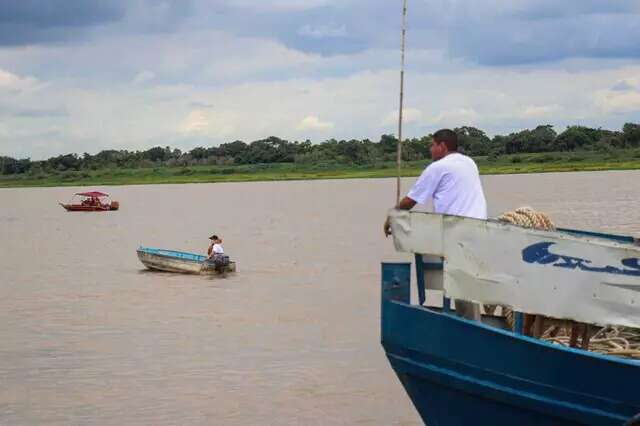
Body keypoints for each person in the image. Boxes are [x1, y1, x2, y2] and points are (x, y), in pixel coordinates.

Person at [383, 128, 487, 320]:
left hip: (458, 231)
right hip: (479, 230)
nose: (430, 149)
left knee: (461, 286)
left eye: (432, 145)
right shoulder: (469, 162)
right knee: (466, 283)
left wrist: (391, 216)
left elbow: (410, 201)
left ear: (442, 146)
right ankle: (474, 317)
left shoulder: (438, 167)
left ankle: (472, 327)